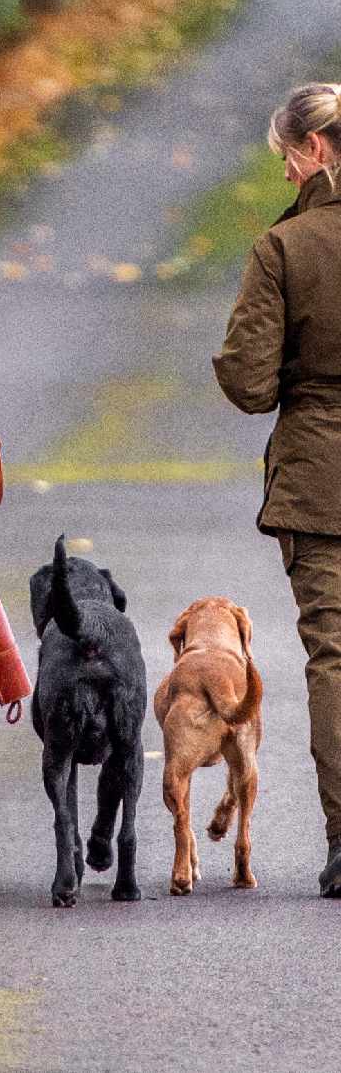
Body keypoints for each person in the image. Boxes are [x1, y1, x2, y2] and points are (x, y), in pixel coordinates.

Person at [213, 81, 341, 898]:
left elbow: (252, 385)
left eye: (287, 159)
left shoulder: (285, 248)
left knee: (335, 657)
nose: (287, 175)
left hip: (321, 474)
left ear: (317, 151)